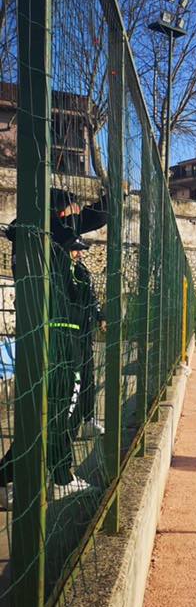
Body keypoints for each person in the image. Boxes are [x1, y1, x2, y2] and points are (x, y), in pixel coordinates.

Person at [0, 188, 107, 509]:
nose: (76, 221)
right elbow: (96, 218)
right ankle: (49, 476)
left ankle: (17, 476)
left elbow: (92, 219)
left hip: (60, 333)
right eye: (71, 213)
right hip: (56, 334)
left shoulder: (39, 236)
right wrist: (108, 197)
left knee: (55, 414)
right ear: (58, 213)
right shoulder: (40, 234)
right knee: (57, 412)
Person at [71, 251, 106, 440]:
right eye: (76, 248)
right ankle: (74, 422)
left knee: (87, 378)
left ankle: (88, 419)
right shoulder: (65, 269)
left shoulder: (81, 269)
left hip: (84, 332)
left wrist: (100, 316)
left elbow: (91, 297)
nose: (81, 253)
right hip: (71, 332)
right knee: (75, 381)